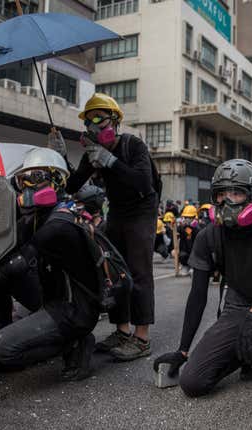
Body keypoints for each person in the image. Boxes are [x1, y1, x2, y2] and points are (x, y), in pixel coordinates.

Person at [153, 159, 252, 417]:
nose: (228, 201)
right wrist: (183, 350)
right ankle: (251, 354)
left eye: (237, 193)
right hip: (238, 308)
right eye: (221, 194)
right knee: (193, 383)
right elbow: (197, 296)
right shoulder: (208, 236)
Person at [0, 148, 100, 381]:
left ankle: (74, 343)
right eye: (23, 181)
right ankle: (15, 349)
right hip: (51, 294)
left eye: (38, 179)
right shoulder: (37, 218)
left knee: (1, 347)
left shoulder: (61, 222)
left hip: (73, 309)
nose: (29, 187)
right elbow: (6, 241)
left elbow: (19, 262)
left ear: (58, 182)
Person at [65, 93, 158, 361]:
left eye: (99, 120)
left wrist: (110, 161)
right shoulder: (93, 154)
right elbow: (73, 185)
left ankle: (141, 338)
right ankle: (122, 330)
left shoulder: (133, 145)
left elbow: (142, 183)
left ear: (115, 122)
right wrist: (61, 157)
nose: (94, 127)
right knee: (115, 271)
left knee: (139, 272)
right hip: (116, 211)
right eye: (89, 123)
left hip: (142, 210)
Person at [178, 205, 199, 276]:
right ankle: (186, 266)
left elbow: (191, 232)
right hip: (185, 251)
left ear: (193, 218)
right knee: (182, 255)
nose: (186, 219)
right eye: (185, 217)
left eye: (188, 217)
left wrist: (189, 227)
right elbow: (178, 232)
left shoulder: (197, 228)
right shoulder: (184, 227)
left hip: (195, 252)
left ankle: (193, 267)